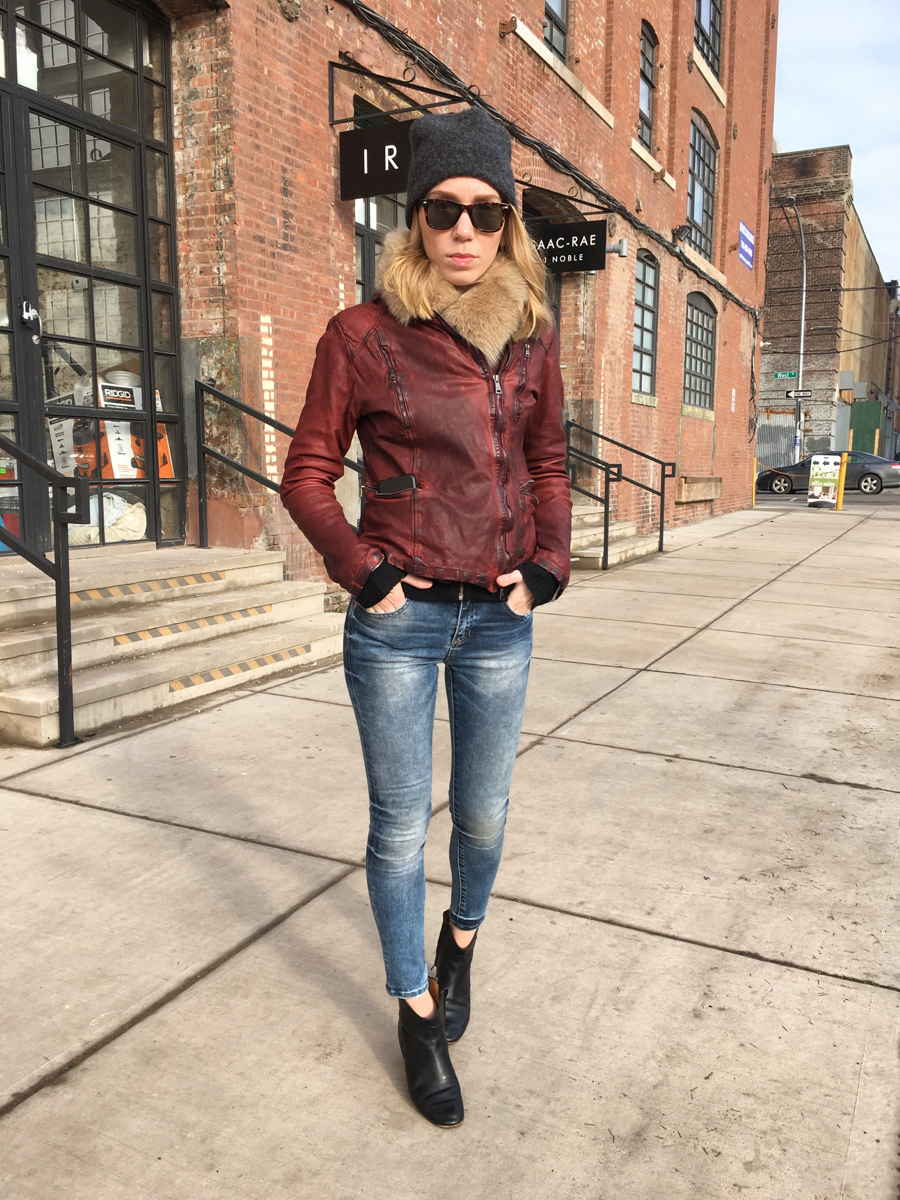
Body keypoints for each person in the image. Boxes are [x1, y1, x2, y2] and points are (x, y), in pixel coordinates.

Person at [281, 106, 572, 1127]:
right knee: (402, 826)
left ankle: (461, 946)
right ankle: (413, 1007)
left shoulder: (531, 335)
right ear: (415, 219)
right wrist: (365, 574)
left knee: (484, 819)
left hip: (499, 616)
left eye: (484, 212)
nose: (464, 229)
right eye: (444, 209)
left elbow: (548, 462)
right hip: (399, 623)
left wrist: (548, 566)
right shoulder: (361, 336)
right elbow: (307, 473)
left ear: (507, 224)